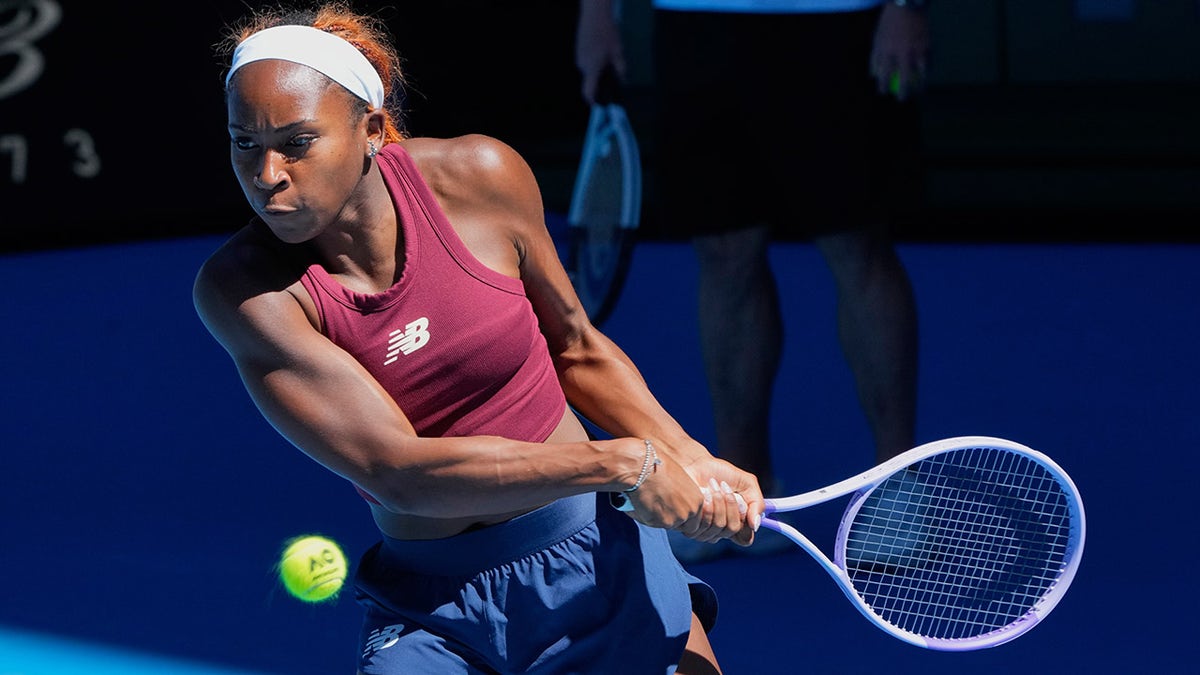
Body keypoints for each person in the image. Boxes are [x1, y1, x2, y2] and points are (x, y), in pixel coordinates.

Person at [193, 2, 765, 673]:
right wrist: (625, 463)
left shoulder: (481, 177)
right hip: (434, 610)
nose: (267, 176)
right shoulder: (244, 292)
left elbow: (576, 346)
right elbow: (398, 472)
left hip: (597, 560)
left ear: (372, 129)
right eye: (244, 143)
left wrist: (688, 455)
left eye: (296, 143)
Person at [575, 0, 926, 562]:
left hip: (834, 22)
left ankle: (898, 485)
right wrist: (598, 14)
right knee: (721, 250)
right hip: (696, 21)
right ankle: (743, 490)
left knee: (855, 243)